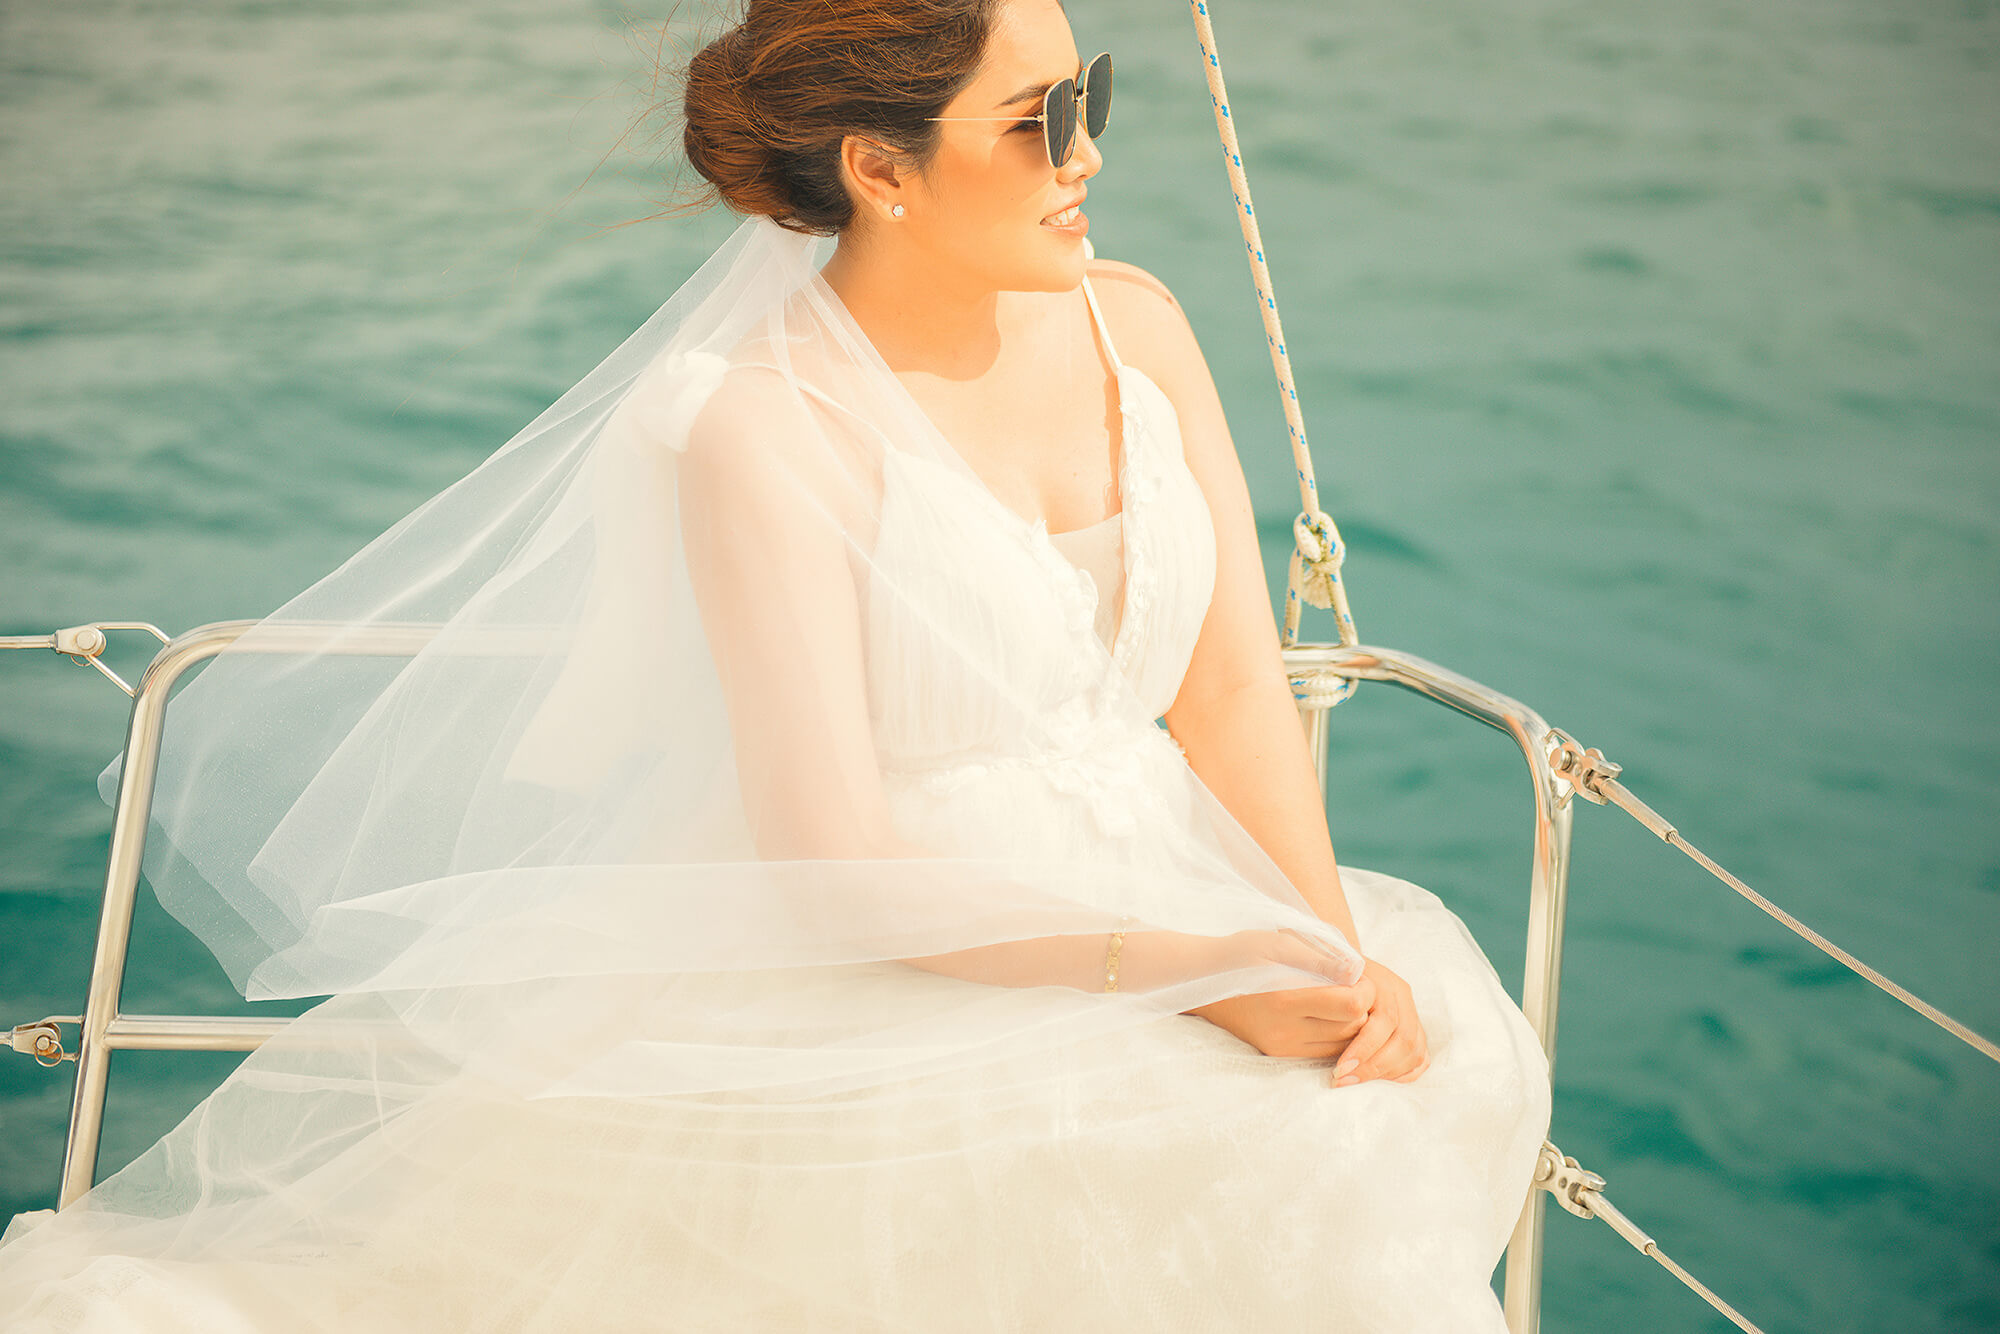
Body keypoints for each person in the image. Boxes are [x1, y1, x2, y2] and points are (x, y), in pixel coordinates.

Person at [0, 0, 1551, 1328]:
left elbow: (1225, 688)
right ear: (881, 169)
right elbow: (836, 864)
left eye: (1092, 99)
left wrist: (1324, 961)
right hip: (923, 958)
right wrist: (1199, 973)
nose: (1086, 155)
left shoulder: (1137, 323)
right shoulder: (765, 423)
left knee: (1369, 1130)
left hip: (1191, 906)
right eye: (1033, 120)